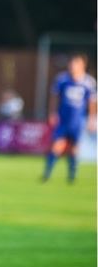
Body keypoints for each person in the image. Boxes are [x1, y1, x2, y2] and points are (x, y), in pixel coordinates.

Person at [42, 53, 96, 183]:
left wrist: (92, 119)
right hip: (63, 120)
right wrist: (52, 113)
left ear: (82, 65)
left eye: (76, 63)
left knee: (74, 148)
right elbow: (54, 97)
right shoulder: (62, 79)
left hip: (78, 120)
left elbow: (92, 103)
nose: (72, 66)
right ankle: (47, 173)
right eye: (71, 63)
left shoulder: (88, 82)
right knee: (57, 146)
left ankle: (71, 176)